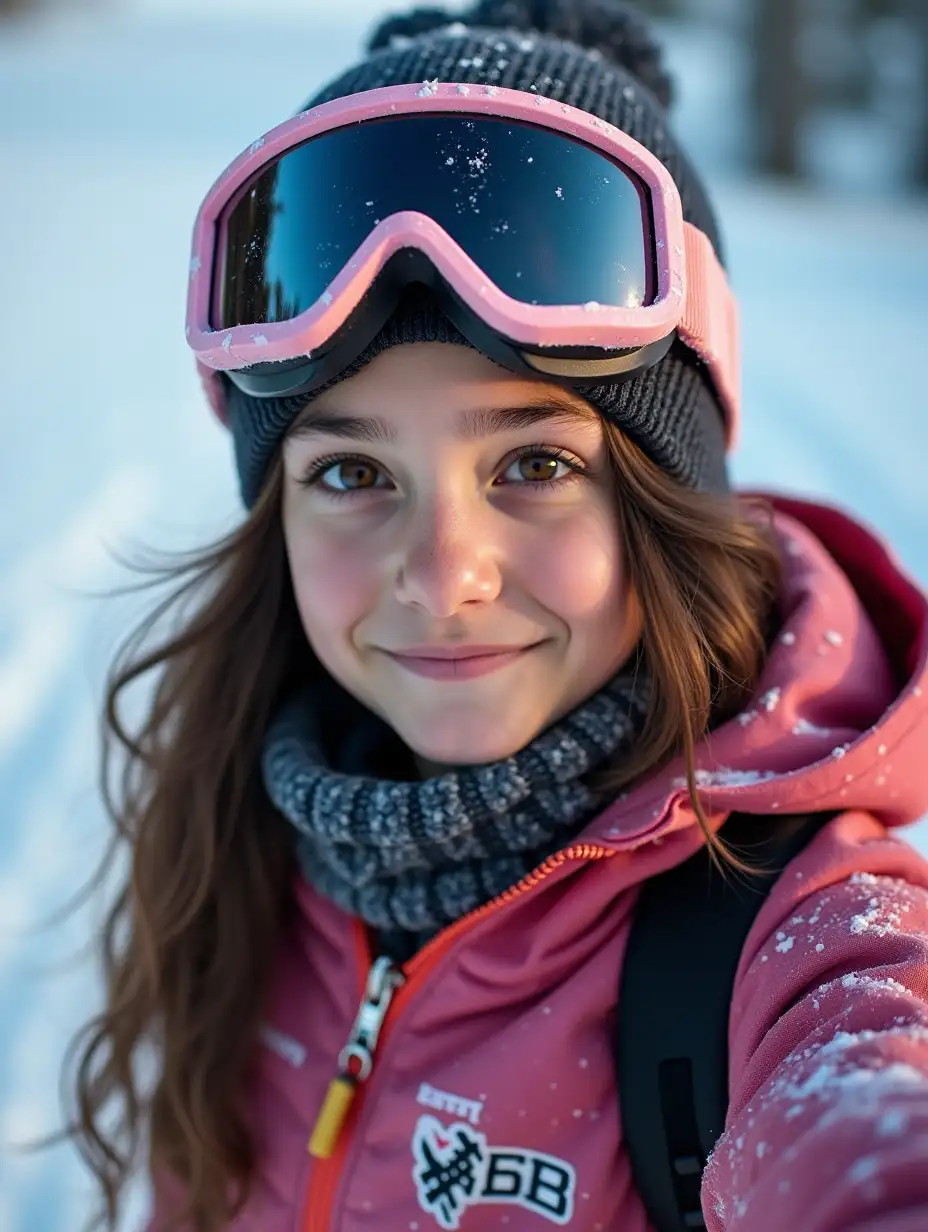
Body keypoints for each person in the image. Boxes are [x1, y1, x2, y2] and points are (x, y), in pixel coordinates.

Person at [63, 1, 928, 1230]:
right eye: (353, 475)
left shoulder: (792, 935)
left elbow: (870, 1128)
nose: (442, 572)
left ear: (661, 502)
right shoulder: (245, 851)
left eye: (534, 466)